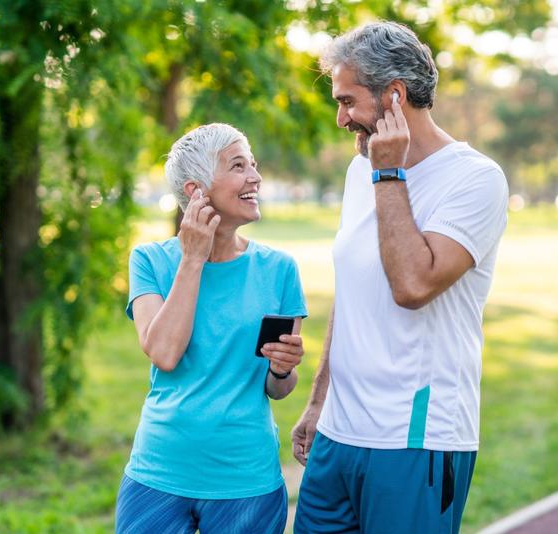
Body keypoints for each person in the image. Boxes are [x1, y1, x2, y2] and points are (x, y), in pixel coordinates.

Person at [291, 22, 509, 533]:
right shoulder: (357, 171)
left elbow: (412, 284)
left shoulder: (476, 179)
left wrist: (390, 173)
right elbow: (354, 292)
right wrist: (319, 400)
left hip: (415, 441)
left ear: (394, 96)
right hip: (338, 438)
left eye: (348, 102)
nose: (341, 119)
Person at [115, 123, 307, 534]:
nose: (255, 177)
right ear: (195, 191)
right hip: (159, 473)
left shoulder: (279, 270)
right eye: (238, 166)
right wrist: (193, 259)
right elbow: (165, 354)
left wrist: (282, 369)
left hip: (246, 479)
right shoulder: (150, 261)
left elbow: (278, 388)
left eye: (253, 165)